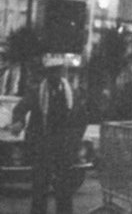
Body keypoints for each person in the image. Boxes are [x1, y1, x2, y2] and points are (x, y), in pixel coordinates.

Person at [10, 60, 85, 214]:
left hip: (64, 149)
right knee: (40, 189)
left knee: (64, 190)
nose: (55, 75)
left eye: (58, 71)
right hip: (42, 148)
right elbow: (20, 109)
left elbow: (81, 119)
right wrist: (19, 122)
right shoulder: (37, 91)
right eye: (52, 71)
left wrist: (75, 140)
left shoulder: (72, 93)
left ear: (62, 73)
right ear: (47, 73)